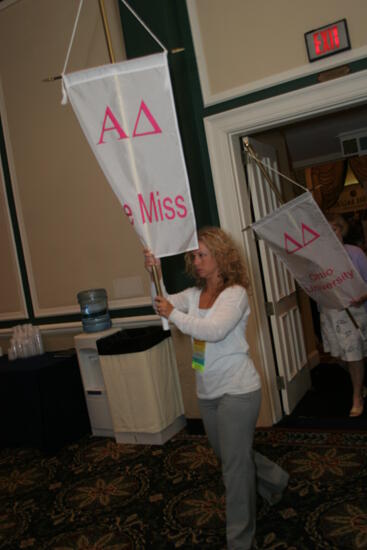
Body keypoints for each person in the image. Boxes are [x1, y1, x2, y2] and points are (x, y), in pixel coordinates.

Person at [144, 226, 289, 550]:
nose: (195, 261)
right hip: (207, 391)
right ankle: (276, 479)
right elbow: (161, 304)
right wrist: (152, 272)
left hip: (238, 390)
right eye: (193, 256)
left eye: (202, 255)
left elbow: (214, 330)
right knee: (230, 456)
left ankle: (239, 541)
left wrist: (175, 315)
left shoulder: (235, 294)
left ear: (221, 257)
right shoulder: (194, 296)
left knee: (234, 472)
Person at [320, 214, 367, 417]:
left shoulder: (355, 253)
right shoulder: (318, 260)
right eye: (327, 231)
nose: (332, 234)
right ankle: (360, 381)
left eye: (335, 229)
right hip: (329, 313)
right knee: (340, 356)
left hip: (354, 312)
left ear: (342, 230)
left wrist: (361, 297)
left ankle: (356, 396)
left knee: (354, 355)